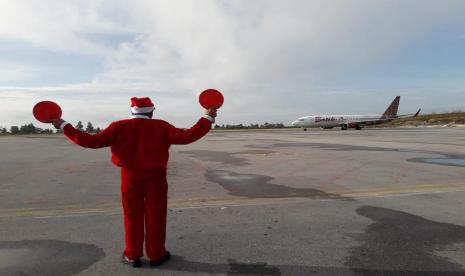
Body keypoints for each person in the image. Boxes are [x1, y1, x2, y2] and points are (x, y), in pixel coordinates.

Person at [50, 97, 218, 268]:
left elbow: (90, 141)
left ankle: (132, 254)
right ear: (151, 111)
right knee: (156, 215)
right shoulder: (161, 126)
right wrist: (207, 117)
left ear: (132, 111)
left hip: (130, 177)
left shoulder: (118, 126)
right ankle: (157, 255)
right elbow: (188, 136)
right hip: (156, 177)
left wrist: (64, 125)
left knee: (131, 215)